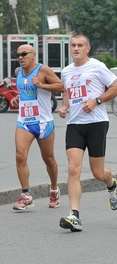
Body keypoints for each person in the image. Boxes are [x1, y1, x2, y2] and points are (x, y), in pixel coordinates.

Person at [58, 33, 117, 232]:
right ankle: (74, 215)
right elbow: (68, 91)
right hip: (75, 124)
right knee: (73, 169)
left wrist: (97, 101)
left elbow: (116, 88)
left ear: (88, 48)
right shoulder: (67, 71)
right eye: (73, 45)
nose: (76, 48)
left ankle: (111, 184)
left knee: (97, 173)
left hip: (96, 122)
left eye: (79, 45)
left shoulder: (96, 66)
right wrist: (64, 106)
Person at [10, 44, 65, 210]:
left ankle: (54, 189)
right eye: (18, 54)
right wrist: (18, 98)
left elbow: (61, 87)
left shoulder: (43, 70)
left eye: (24, 54)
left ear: (33, 55)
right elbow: (25, 91)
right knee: (20, 156)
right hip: (25, 121)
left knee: (48, 159)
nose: (20, 57)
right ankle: (26, 196)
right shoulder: (18, 72)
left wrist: (41, 85)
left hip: (43, 122)